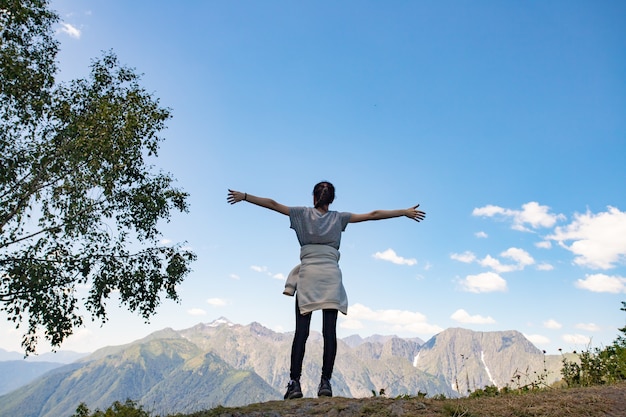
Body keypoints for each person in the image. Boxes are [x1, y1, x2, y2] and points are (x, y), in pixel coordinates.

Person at [227, 182, 425, 399]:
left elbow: (273, 204)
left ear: (314, 198)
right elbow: (373, 214)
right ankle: (325, 383)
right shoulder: (339, 218)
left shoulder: (301, 214)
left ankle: (294, 384)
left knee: (301, 333)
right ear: (331, 200)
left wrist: (245, 196)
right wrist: (404, 212)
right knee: (329, 333)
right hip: (331, 277)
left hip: (308, 277)